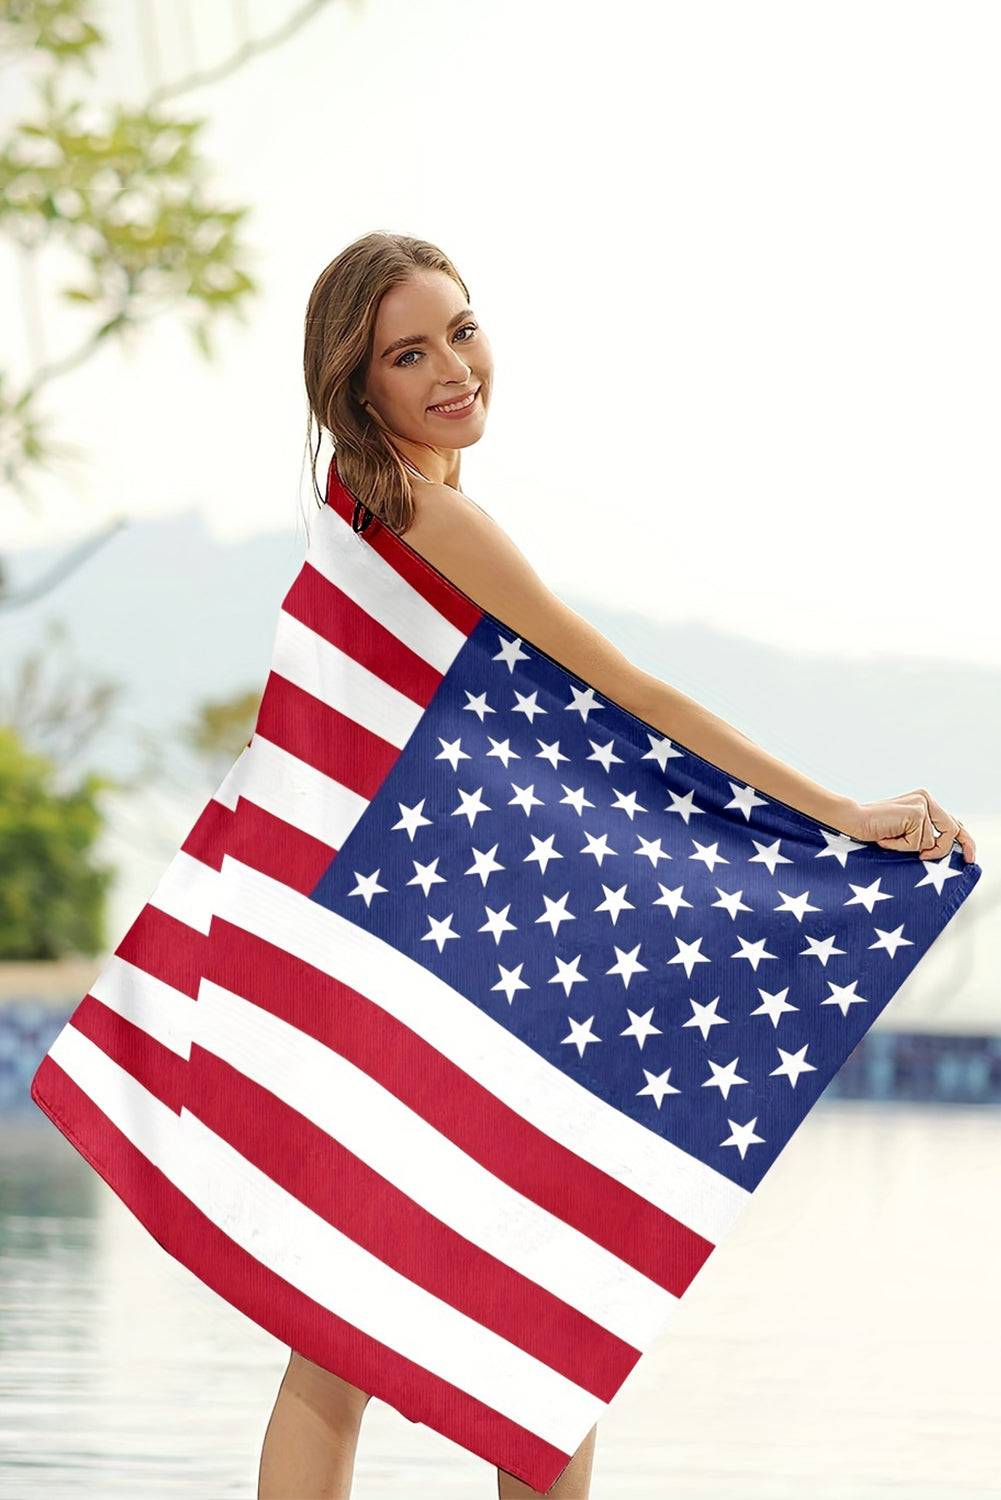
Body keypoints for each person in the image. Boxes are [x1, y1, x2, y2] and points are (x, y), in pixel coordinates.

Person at [257, 232, 976, 1500]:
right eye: (406, 353)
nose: (449, 369)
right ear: (353, 382)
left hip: (407, 942)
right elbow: (624, 690)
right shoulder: (418, 508)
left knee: (407, 1325)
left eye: (460, 330)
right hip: (419, 957)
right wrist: (835, 814)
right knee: (483, 1322)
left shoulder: (368, 501)